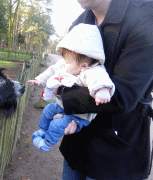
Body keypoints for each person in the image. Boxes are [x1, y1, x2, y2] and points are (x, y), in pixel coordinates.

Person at [56, 0, 153, 180]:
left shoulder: (145, 16)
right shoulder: (81, 21)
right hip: (77, 137)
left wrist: (62, 93)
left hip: (112, 144)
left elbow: (123, 96)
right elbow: (67, 70)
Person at [28, 23, 115, 152]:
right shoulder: (66, 65)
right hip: (61, 106)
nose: (63, 64)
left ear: (84, 66)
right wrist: (39, 80)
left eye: (67, 62)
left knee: (57, 124)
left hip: (79, 116)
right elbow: (52, 70)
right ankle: (43, 130)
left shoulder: (91, 71)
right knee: (48, 109)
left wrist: (102, 91)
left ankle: (47, 143)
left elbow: (100, 79)